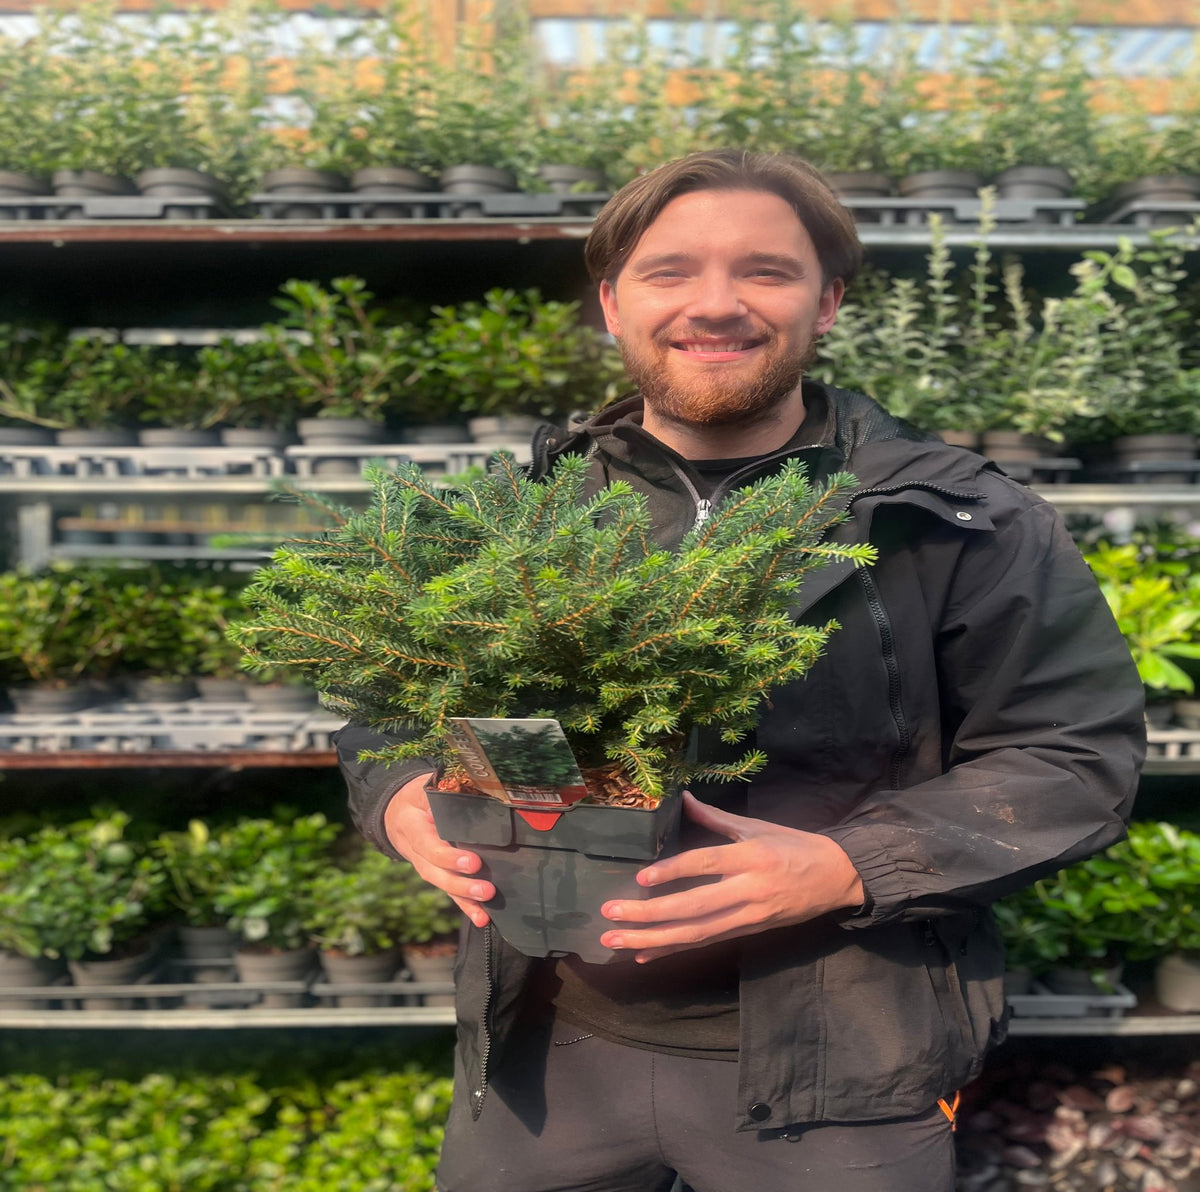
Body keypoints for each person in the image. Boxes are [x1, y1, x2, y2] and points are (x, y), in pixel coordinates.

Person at [335, 150, 1145, 1192]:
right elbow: (389, 695)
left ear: (829, 303)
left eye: (765, 271)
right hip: (547, 1052)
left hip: (845, 1073)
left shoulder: (953, 520)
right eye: (671, 272)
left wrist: (848, 865)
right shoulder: (514, 514)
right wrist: (397, 790)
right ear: (615, 305)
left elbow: (1072, 758)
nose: (716, 305)